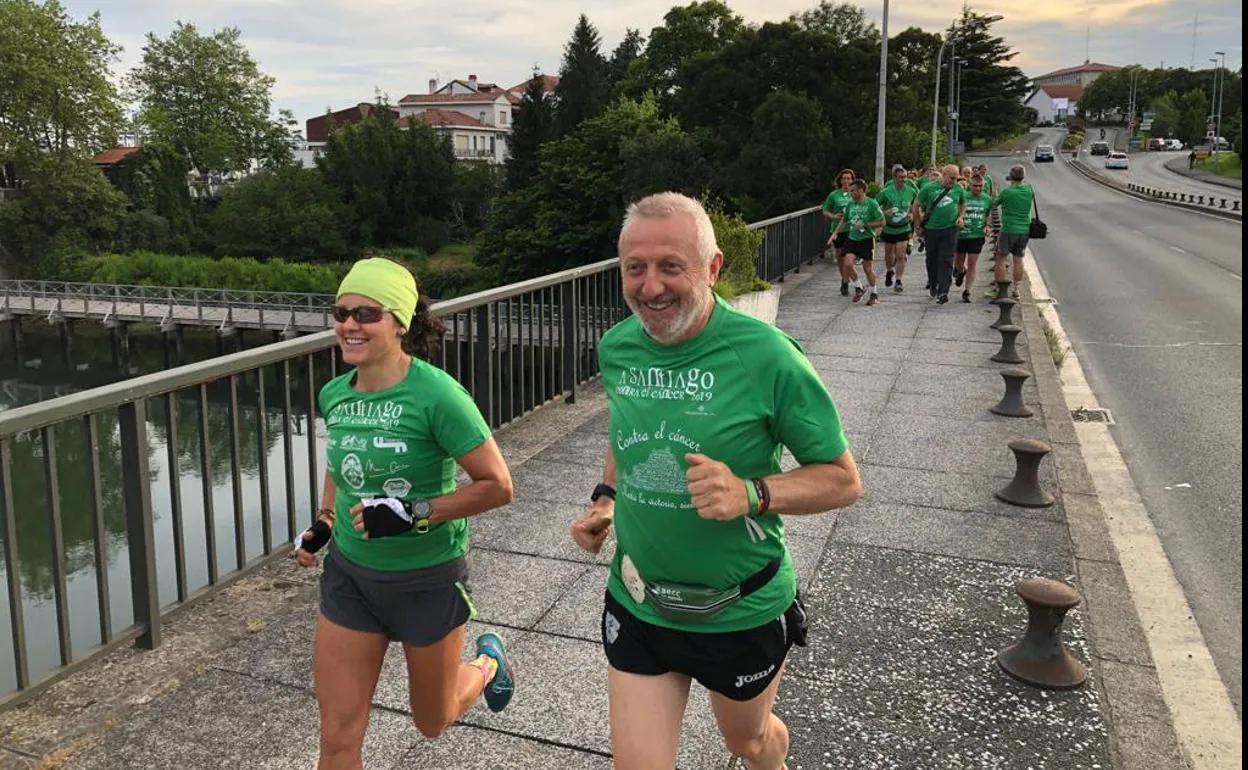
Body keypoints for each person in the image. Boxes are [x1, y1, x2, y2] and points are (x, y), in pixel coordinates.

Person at [570, 192, 862, 770]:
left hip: (740, 610)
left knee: (746, 743)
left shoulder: (768, 356)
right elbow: (628, 431)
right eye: (636, 268)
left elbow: (842, 479)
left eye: (670, 266)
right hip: (640, 602)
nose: (651, 287)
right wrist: (607, 499)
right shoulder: (618, 347)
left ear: (712, 267)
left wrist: (753, 493)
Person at [293, 258, 517, 770]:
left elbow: (499, 486)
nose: (350, 324)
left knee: (431, 722)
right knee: (338, 737)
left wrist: (415, 512)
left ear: (401, 321)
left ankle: (486, 664)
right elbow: (340, 465)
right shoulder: (335, 394)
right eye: (342, 312)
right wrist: (325, 522)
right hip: (351, 579)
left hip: (426, 580)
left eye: (367, 313)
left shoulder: (437, 394)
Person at [912, 164, 967, 305]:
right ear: (944, 175)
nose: (953, 181)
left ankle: (944, 291)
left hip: (950, 229)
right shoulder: (929, 188)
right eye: (951, 178)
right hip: (931, 229)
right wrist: (917, 224)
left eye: (956, 178)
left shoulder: (958, 188)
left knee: (946, 259)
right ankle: (933, 282)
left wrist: (960, 217)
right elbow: (916, 205)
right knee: (932, 259)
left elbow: (963, 203)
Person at [830, 179, 886, 305]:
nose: (850, 193)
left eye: (853, 191)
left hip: (866, 239)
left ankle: (874, 293)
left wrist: (866, 225)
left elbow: (882, 222)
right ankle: (858, 287)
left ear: (860, 191)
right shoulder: (850, 204)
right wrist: (835, 233)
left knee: (867, 268)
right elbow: (844, 220)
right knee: (847, 263)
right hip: (852, 238)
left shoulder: (871, 203)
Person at [988, 165, 1036, 298]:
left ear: (1011, 177)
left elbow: (993, 204)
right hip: (1025, 229)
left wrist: (994, 195)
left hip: (1009, 229)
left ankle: (1000, 289)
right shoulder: (1029, 190)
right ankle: (1017, 288)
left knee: (1001, 258)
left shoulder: (1006, 192)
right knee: (1018, 259)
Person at [876, 164, 917, 293]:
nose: (903, 179)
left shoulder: (911, 191)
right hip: (889, 228)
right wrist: (884, 213)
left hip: (904, 228)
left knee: (900, 255)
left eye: (905, 177)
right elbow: (874, 207)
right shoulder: (885, 192)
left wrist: (912, 214)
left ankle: (898, 281)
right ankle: (889, 271)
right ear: (894, 178)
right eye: (900, 177)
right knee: (889, 255)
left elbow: (916, 205)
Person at [953, 175, 993, 303]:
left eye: (980, 186)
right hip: (961, 234)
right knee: (959, 262)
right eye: (975, 186)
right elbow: (955, 211)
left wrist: (987, 226)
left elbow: (988, 215)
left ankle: (967, 291)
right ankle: (960, 271)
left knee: (972, 263)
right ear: (970, 185)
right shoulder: (963, 196)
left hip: (976, 235)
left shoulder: (987, 199)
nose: (978, 188)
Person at [821, 169, 856, 296]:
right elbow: (825, 210)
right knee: (840, 258)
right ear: (840, 180)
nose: (846, 181)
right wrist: (834, 216)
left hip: (852, 230)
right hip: (838, 230)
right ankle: (844, 280)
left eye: (849, 178)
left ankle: (850, 281)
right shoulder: (834, 195)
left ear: (852, 180)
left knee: (849, 258)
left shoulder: (856, 194)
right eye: (844, 178)